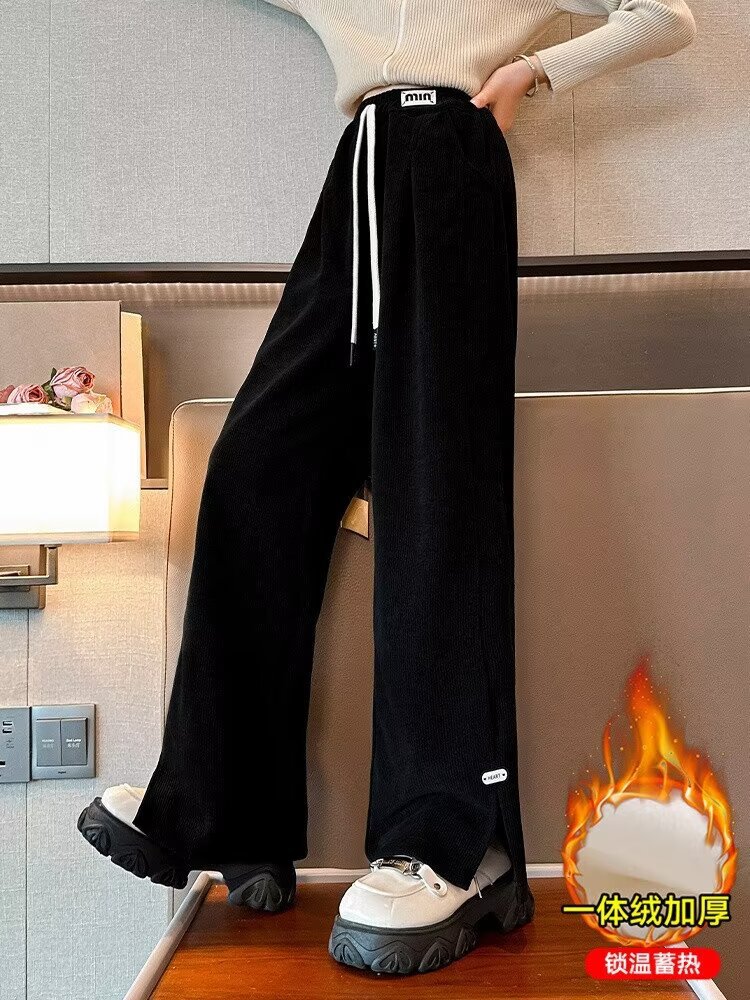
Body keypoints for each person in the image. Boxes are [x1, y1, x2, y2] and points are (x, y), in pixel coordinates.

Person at [78, 0, 696, 976]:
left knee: (435, 497)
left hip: (453, 162)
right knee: (251, 472)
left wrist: (533, 73)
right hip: (357, 174)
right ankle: (224, 809)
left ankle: (454, 844)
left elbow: (666, 16)